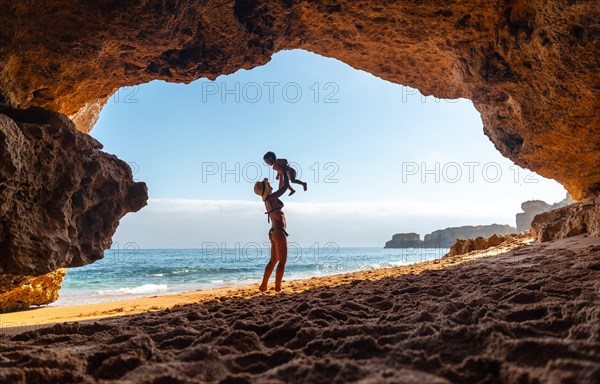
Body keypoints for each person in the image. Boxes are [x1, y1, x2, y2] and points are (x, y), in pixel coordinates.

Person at [254, 175, 290, 292]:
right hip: (279, 232)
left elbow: (280, 187)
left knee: (273, 260)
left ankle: (263, 286)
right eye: (268, 184)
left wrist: (280, 176)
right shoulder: (272, 197)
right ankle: (278, 288)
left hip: (273, 232)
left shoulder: (268, 199)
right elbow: (284, 188)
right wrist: (284, 174)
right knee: (282, 261)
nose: (270, 185)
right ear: (266, 189)